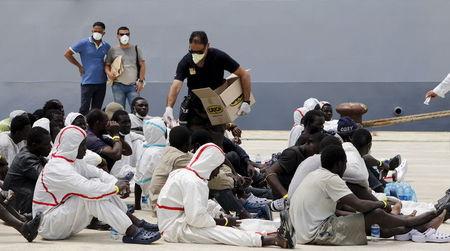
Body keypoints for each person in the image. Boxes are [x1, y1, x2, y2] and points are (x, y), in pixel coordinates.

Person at [290, 145, 447, 245]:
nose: (345, 167)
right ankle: (414, 222)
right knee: (376, 214)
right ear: (339, 164)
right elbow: (360, 205)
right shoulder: (332, 179)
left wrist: (358, 215)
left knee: (376, 227)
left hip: (304, 231)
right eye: (345, 163)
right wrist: (382, 204)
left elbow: (336, 211)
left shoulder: (315, 174)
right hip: (318, 232)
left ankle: (408, 229)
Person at [32, 125, 160, 244]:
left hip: (60, 220)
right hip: (48, 225)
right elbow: (87, 189)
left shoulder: (71, 161)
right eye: (82, 145)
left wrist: (116, 183)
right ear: (72, 146)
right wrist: (115, 188)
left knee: (98, 185)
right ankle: (131, 232)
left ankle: (135, 223)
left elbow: (97, 173)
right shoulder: (57, 168)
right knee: (89, 195)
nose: (85, 149)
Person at [156, 143, 294, 248]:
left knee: (239, 223)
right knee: (222, 232)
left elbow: (198, 206)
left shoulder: (188, 175)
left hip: (182, 221)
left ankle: (276, 228)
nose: (217, 172)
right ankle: (272, 239)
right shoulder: (192, 181)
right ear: (208, 164)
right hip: (175, 229)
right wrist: (224, 222)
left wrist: (219, 213)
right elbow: (196, 219)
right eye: (217, 167)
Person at [163, 31, 252, 147]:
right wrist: (169, 107)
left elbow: (244, 74)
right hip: (195, 110)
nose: (196, 55)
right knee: (192, 145)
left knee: (215, 146)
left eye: (200, 52)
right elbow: (176, 86)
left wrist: (246, 101)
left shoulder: (219, 57)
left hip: (216, 109)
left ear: (207, 46)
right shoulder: (186, 61)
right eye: (192, 51)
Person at [64, 22, 111, 115]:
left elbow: (110, 60)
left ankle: (93, 128)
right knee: (84, 108)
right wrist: (79, 66)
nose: (97, 33)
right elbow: (67, 54)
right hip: (88, 82)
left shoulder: (106, 46)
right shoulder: (83, 43)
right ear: (92, 31)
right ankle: (81, 127)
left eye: (99, 31)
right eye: (95, 31)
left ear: (103, 33)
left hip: (102, 82)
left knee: (96, 109)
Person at [3, 127, 52, 214]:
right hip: (15, 203)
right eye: (46, 144)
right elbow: (45, 176)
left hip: (19, 195)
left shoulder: (34, 153)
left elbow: (50, 165)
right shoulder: (26, 158)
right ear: (34, 145)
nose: (50, 147)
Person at [265, 132, 326, 200]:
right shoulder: (292, 153)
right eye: (317, 149)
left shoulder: (311, 156)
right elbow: (269, 172)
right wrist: (286, 196)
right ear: (308, 142)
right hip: (283, 198)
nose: (318, 153)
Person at [149, 126, 193, 211]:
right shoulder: (179, 158)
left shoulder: (169, 151)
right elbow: (199, 168)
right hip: (162, 206)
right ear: (187, 143)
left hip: (158, 200)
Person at [105, 26, 146, 110]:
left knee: (136, 110)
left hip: (133, 86)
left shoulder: (136, 49)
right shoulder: (113, 50)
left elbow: (142, 65)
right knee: (119, 111)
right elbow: (107, 65)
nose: (124, 36)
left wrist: (141, 81)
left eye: (127, 34)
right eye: (122, 34)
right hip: (118, 86)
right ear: (117, 36)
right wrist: (109, 74)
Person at [135, 118, 167, 201]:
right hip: (158, 198)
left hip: (147, 197)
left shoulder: (145, 149)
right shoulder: (158, 153)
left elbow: (137, 180)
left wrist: (137, 206)